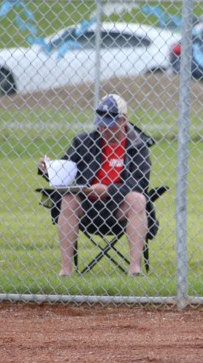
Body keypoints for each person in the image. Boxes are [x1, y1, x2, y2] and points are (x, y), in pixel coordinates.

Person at [38, 94, 152, 277]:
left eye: (110, 123)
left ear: (124, 120)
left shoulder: (137, 146)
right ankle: (66, 270)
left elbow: (140, 182)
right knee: (68, 201)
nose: (103, 128)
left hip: (119, 206)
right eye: (101, 123)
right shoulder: (84, 142)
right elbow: (65, 172)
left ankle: (135, 268)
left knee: (138, 199)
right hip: (88, 205)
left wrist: (108, 190)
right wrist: (48, 170)